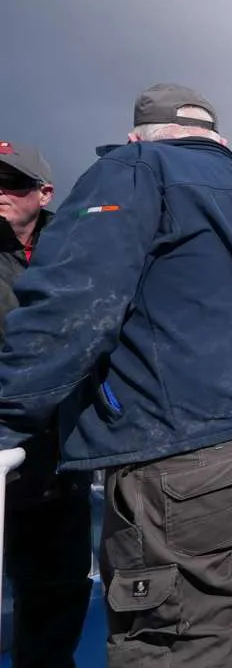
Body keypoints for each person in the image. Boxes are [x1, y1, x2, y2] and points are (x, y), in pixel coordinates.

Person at [0, 84, 232, 667]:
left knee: (173, 640)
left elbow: (74, 303)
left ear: (137, 136)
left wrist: (9, 414)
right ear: (217, 139)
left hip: (176, 449)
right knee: (229, 615)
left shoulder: (134, 169)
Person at [0, 143, 92, 668]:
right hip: (4, 437)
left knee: (58, 579)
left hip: (60, 444)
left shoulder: (77, 245)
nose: (0, 193)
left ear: (45, 193)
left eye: (12, 182)